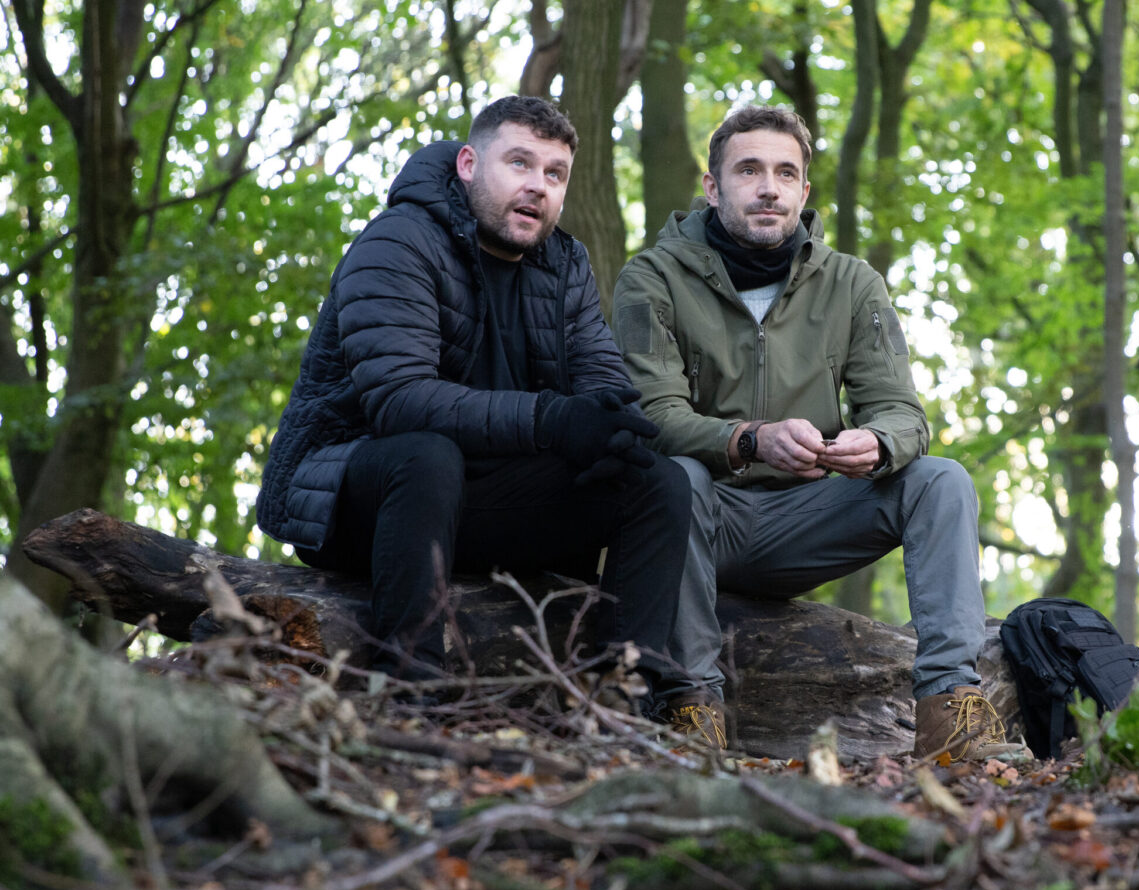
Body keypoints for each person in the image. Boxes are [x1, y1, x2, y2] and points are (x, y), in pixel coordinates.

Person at [611, 105, 1016, 760]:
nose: (768, 186)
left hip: (811, 518)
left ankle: (952, 712)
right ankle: (691, 709)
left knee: (941, 479)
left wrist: (878, 442)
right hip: (703, 520)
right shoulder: (652, 278)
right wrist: (748, 438)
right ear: (713, 188)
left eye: (785, 172)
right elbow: (649, 417)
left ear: (804, 191)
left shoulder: (852, 284)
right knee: (673, 476)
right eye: (748, 170)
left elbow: (902, 413)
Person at [257, 96, 690, 708]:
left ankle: (626, 697)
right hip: (361, 495)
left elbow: (602, 386)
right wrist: (552, 419)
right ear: (468, 164)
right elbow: (398, 402)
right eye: (519, 163)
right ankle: (413, 688)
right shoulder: (398, 242)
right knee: (428, 456)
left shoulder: (565, 265)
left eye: (554, 173)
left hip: (488, 500)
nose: (537, 186)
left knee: (657, 480)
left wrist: (606, 427)